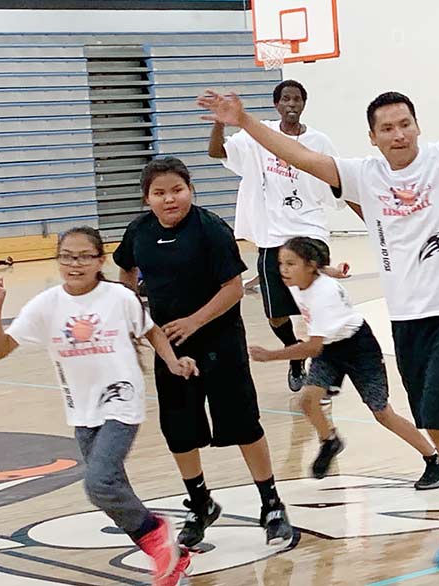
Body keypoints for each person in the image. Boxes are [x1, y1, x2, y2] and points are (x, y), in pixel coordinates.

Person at [198, 29, 439, 567]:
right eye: (387, 128)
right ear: (372, 137)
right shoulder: (363, 175)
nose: (398, 134)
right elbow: (299, 155)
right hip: (406, 319)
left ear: (417, 126)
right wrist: (246, 123)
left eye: (405, 124)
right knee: (438, 418)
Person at [0, 226, 196, 586]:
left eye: (84, 256)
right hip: (82, 410)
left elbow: (150, 330)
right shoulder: (46, 304)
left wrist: (174, 362)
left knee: (98, 483)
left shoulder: (119, 297)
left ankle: (157, 533)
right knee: (113, 493)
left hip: (121, 398)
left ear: (100, 261)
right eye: (67, 256)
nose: (75, 263)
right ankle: (173, 555)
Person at [113, 157, 293, 549]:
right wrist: (135, 312)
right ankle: (200, 503)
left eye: (177, 190)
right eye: (159, 193)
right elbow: (125, 271)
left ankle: (272, 503)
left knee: (243, 422)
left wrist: (194, 321)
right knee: (180, 430)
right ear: (147, 198)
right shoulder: (138, 232)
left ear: (190, 190)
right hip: (170, 348)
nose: (169, 199)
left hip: (220, 341)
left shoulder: (210, 228)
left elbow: (233, 287)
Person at [248, 236, 439, 488]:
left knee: (382, 412)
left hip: (358, 348)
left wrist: (271, 355)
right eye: (281, 263)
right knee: (307, 400)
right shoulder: (300, 279)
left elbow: (312, 347)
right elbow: (321, 275)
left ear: (309, 265)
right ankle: (330, 441)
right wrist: (335, 270)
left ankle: (433, 459)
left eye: (290, 263)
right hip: (331, 348)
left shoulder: (323, 294)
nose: (283, 269)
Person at [209, 79, 354, 392]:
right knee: (276, 315)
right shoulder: (258, 134)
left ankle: (324, 372)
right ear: (277, 104)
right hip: (272, 236)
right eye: (285, 99)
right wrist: (220, 124)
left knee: (319, 308)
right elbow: (216, 151)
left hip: (311, 231)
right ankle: (294, 354)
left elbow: (340, 180)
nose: (291, 104)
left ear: (303, 104)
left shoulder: (320, 141)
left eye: (297, 99)